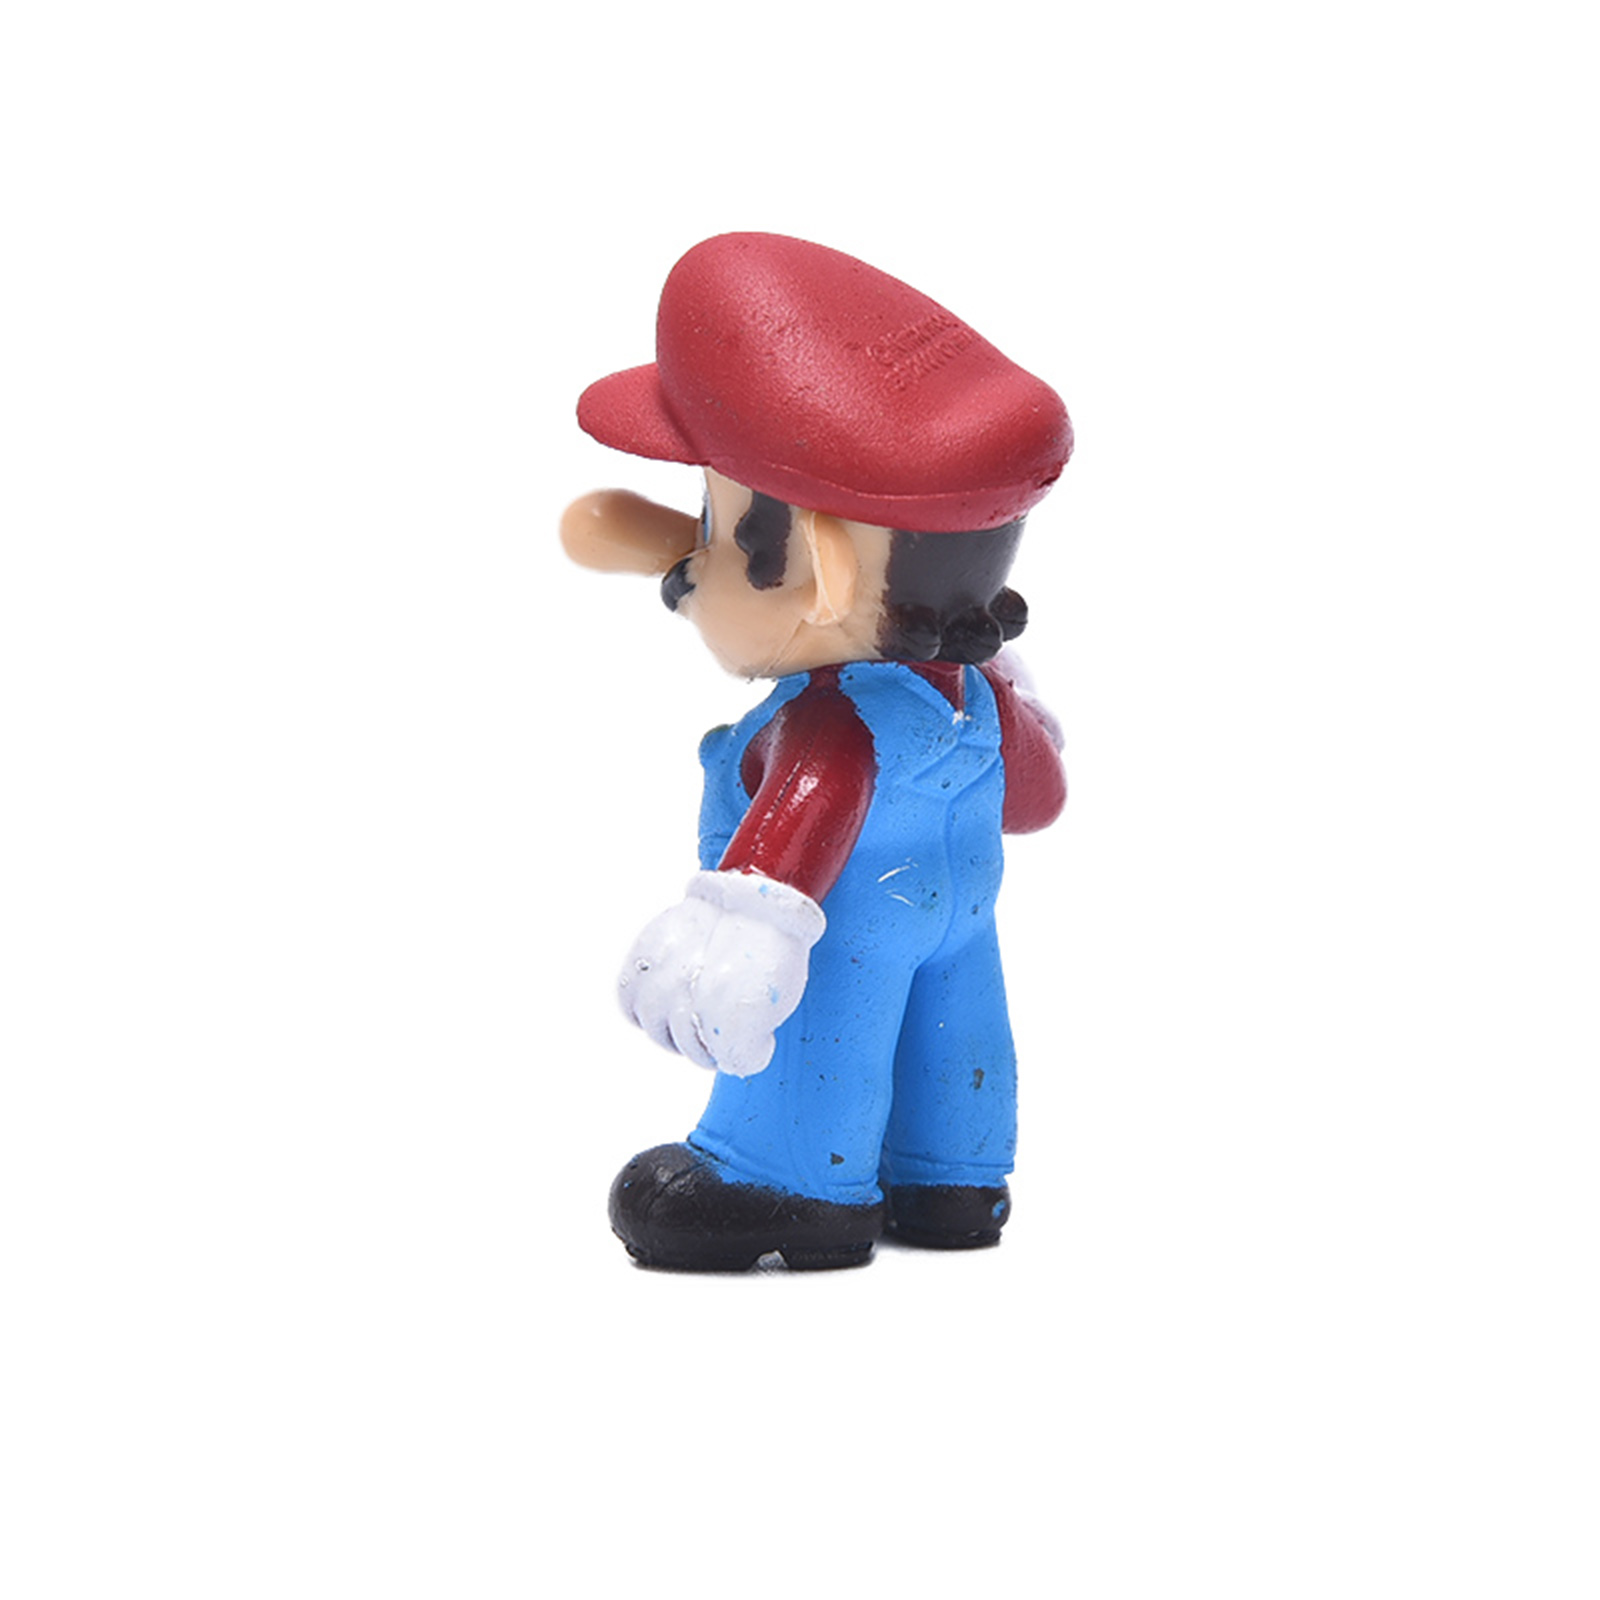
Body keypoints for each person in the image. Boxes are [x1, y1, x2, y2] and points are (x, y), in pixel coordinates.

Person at [561, 233, 1072, 1271]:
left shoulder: (831, 723)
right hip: (962, 921)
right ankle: (951, 1174)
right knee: (955, 1028)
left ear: (820, 578)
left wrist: (740, 933)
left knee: (821, 1020)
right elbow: (1036, 800)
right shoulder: (972, 693)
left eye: (718, 530)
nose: (687, 571)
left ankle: (787, 1177)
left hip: (845, 928)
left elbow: (804, 826)